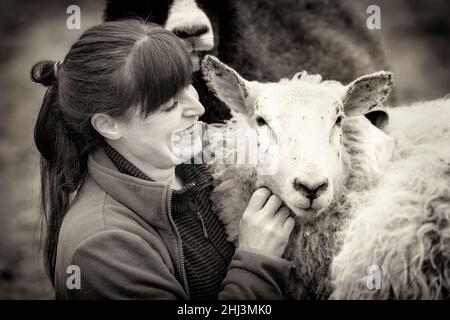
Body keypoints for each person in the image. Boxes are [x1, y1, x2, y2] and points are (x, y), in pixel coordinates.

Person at [31, 19, 295, 299]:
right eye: (170, 105)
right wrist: (256, 262)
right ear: (109, 125)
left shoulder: (197, 148)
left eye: (189, 86)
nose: (199, 108)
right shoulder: (103, 248)